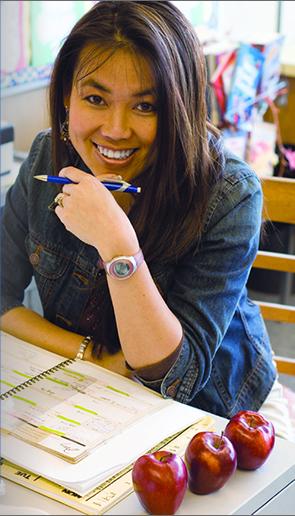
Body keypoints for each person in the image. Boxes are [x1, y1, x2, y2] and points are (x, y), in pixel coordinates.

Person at [1, 0, 293, 441]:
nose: (115, 129)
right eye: (95, 99)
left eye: (145, 106)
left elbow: (176, 378)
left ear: (180, 108)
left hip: (220, 414)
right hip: (97, 396)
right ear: (67, 96)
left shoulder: (229, 194)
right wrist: (94, 358)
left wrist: (118, 246)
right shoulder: (47, 158)